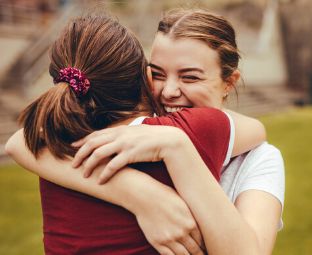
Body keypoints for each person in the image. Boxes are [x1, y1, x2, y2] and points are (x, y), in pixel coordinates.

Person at [7, 7, 284, 255]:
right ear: (142, 77)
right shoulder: (125, 134)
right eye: (158, 74)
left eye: (190, 77)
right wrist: (141, 194)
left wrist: (176, 145)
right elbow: (20, 142)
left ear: (229, 82)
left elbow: (22, 142)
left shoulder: (259, 160)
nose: (170, 91)